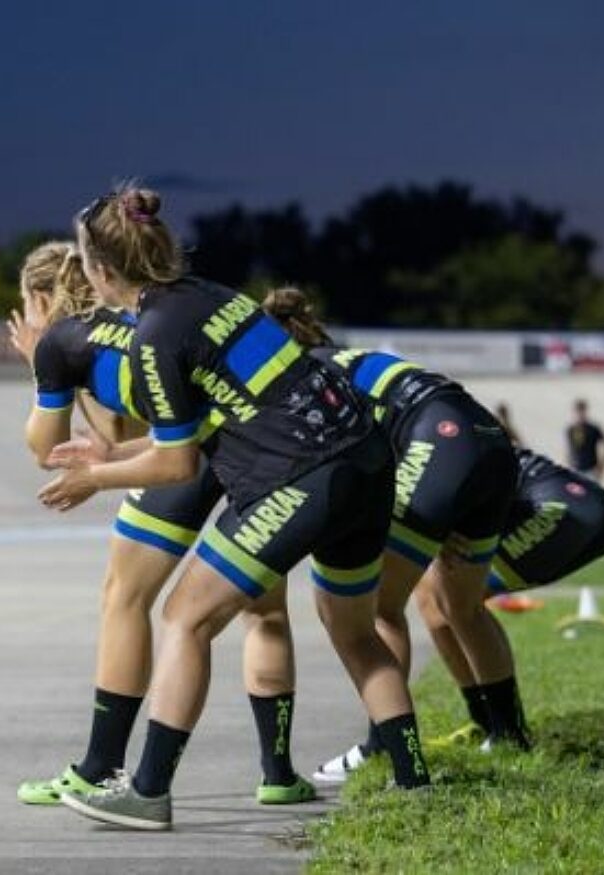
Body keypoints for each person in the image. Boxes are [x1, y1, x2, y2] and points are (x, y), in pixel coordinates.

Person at [42, 187, 430, 831]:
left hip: (303, 477)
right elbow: (217, 419)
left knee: (186, 616)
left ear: (100, 270)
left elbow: (177, 466)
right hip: (365, 459)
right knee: (356, 632)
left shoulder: (155, 333)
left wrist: (97, 476)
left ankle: (147, 790)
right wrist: (114, 451)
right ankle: (418, 785)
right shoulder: (213, 295)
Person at [8, 241, 310, 807]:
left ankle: (100, 766)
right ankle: (277, 774)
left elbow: (46, 449)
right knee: (264, 609)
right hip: (248, 448)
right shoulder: (133, 314)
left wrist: (39, 366)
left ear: (41, 299)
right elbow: (117, 435)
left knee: (124, 598)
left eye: (25, 304)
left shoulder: (63, 341)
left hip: (184, 459)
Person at [258, 291, 528, 782]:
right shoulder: (347, 356)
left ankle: (383, 746)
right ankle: (510, 735)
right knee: (463, 606)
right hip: (487, 440)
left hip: (440, 442)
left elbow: (345, 466)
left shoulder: (304, 376)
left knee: (378, 607)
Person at [416, 447, 604, 748]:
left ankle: (508, 733)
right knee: (431, 598)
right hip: (566, 504)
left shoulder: (409, 442)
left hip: (566, 506)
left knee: (458, 598)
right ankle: (486, 723)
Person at [566, 399, 604, 480]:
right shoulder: (571, 429)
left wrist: (602, 466)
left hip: (591, 469)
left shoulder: (593, 429)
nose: (580, 414)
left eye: (582, 411)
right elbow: (569, 449)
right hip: (575, 469)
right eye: (577, 411)